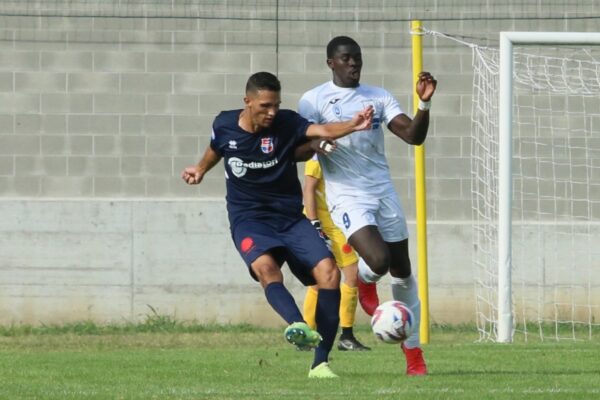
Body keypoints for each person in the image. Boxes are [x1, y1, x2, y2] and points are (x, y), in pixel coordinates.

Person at [182, 71, 373, 379]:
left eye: (275, 105)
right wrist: (200, 169)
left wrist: (352, 124)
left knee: (329, 273)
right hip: (249, 219)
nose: (271, 112)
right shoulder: (225, 124)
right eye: (264, 106)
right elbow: (217, 147)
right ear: (248, 102)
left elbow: (320, 129)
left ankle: (320, 364)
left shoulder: (286, 122)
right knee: (267, 269)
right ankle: (297, 326)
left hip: (289, 217)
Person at [298, 36, 437, 376]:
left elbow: (413, 136)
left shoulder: (378, 96)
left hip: (382, 190)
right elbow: (301, 146)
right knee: (378, 259)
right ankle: (363, 279)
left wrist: (424, 105)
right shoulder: (313, 99)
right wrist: (321, 145)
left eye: (357, 58)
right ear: (331, 62)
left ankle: (414, 354)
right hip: (347, 194)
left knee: (403, 270)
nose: (353, 64)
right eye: (346, 59)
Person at [301, 154, 372, 351]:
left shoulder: (342, 154)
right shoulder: (317, 154)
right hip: (322, 225)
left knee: (352, 274)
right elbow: (308, 189)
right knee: (319, 279)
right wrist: (314, 224)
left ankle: (346, 336)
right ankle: (306, 335)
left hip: (338, 223)